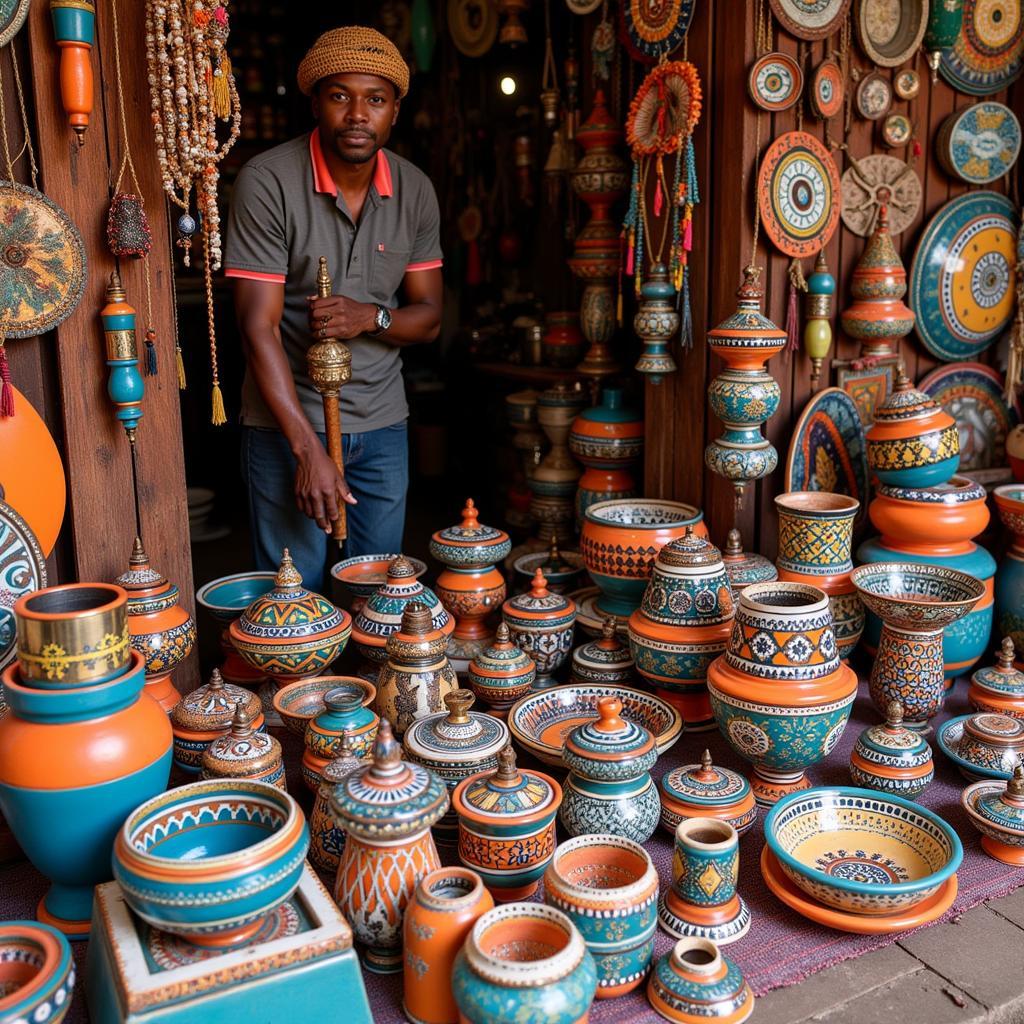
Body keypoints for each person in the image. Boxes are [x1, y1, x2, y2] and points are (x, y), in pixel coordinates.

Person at [224, 26, 443, 591]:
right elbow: (257, 326)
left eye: (375, 99)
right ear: (315, 102)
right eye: (340, 96)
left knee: (380, 595)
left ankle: (366, 685)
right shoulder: (267, 181)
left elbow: (428, 317)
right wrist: (307, 448)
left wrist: (373, 316)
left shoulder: (415, 190)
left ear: (395, 110)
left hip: (382, 424)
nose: (357, 115)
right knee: (292, 598)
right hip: (285, 424)